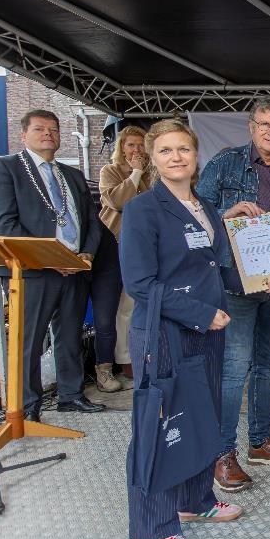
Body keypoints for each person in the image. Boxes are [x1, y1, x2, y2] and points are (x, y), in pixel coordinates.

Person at [120, 119, 241, 539]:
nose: (176, 157)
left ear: (196, 155)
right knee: (161, 425)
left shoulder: (206, 207)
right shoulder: (142, 210)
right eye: (166, 150)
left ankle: (196, 501)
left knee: (200, 418)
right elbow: (140, 283)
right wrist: (202, 314)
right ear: (152, 159)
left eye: (184, 149)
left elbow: (215, 268)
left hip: (207, 334)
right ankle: (150, 525)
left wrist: (260, 281)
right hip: (165, 333)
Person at [197, 96, 270, 492]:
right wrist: (229, 210)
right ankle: (222, 453)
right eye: (264, 124)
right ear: (251, 127)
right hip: (237, 282)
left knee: (269, 365)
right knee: (234, 367)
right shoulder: (226, 163)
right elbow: (197, 209)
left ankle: (260, 441)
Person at [0, 109, 106, 421]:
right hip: (30, 272)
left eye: (54, 130)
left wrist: (86, 253)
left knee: (70, 335)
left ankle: (71, 395)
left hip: (74, 269)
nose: (48, 134)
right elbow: (5, 224)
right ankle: (28, 406)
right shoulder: (7, 169)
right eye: (40, 129)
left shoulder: (71, 175)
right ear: (23, 135)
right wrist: (50, 258)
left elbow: (91, 222)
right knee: (28, 340)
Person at [95, 125, 152, 392]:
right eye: (131, 145)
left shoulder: (154, 174)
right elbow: (119, 202)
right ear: (122, 147)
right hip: (116, 245)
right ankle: (121, 360)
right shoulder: (111, 171)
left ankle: (143, 354)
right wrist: (136, 172)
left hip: (146, 246)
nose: (136, 150)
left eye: (141, 145)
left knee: (141, 302)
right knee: (122, 306)